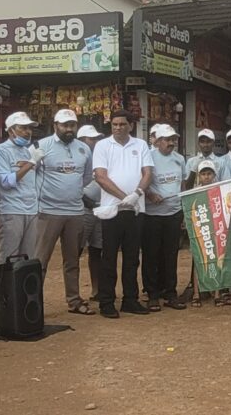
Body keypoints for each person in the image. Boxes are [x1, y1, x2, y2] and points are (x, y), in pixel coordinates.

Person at [34, 109, 96, 315]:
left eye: (72, 125)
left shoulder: (83, 149)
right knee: (40, 261)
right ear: (55, 126)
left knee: (72, 260)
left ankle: (74, 300)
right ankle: (32, 303)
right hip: (48, 211)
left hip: (75, 211)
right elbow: (30, 173)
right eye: (64, 125)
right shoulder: (41, 146)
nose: (69, 129)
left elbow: (86, 177)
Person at [92, 110, 154, 318]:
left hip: (136, 209)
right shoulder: (102, 145)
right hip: (112, 210)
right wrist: (124, 197)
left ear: (131, 126)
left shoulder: (141, 145)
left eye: (122, 124)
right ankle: (106, 302)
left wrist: (136, 195)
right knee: (108, 257)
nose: (118, 128)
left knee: (132, 257)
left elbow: (148, 173)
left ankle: (130, 300)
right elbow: (101, 177)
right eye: (115, 124)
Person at [142, 124, 186, 312]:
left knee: (171, 255)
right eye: (167, 139)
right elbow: (140, 181)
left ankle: (170, 293)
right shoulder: (148, 158)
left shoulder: (179, 159)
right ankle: (152, 294)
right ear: (157, 141)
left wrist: (183, 209)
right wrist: (150, 194)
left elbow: (182, 184)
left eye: (173, 139)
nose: (171, 143)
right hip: (152, 215)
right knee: (151, 255)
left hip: (174, 213)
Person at [0, 111, 40, 266]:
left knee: (28, 259)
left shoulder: (27, 152)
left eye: (29, 128)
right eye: (22, 128)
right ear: (11, 130)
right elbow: (6, 182)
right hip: (11, 210)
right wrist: (31, 163)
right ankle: (4, 283)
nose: (27, 132)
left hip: (31, 210)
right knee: (8, 258)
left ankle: (21, 284)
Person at [76, 125, 105, 301]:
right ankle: (74, 294)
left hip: (101, 209)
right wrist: (85, 200)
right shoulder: (77, 158)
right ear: (81, 140)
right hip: (83, 209)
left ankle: (97, 290)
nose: (95, 141)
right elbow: (71, 183)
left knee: (97, 250)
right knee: (76, 251)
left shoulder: (101, 156)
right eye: (91, 138)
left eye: (96, 138)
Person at [187, 160, 218, 308]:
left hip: (215, 229)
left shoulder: (218, 190)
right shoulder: (193, 193)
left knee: (216, 260)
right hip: (200, 229)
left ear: (214, 175)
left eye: (209, 173)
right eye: (203, 174)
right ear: (199, 176)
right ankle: (196, 293)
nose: (206, 176)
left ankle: (217, 293)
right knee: (198, 260)